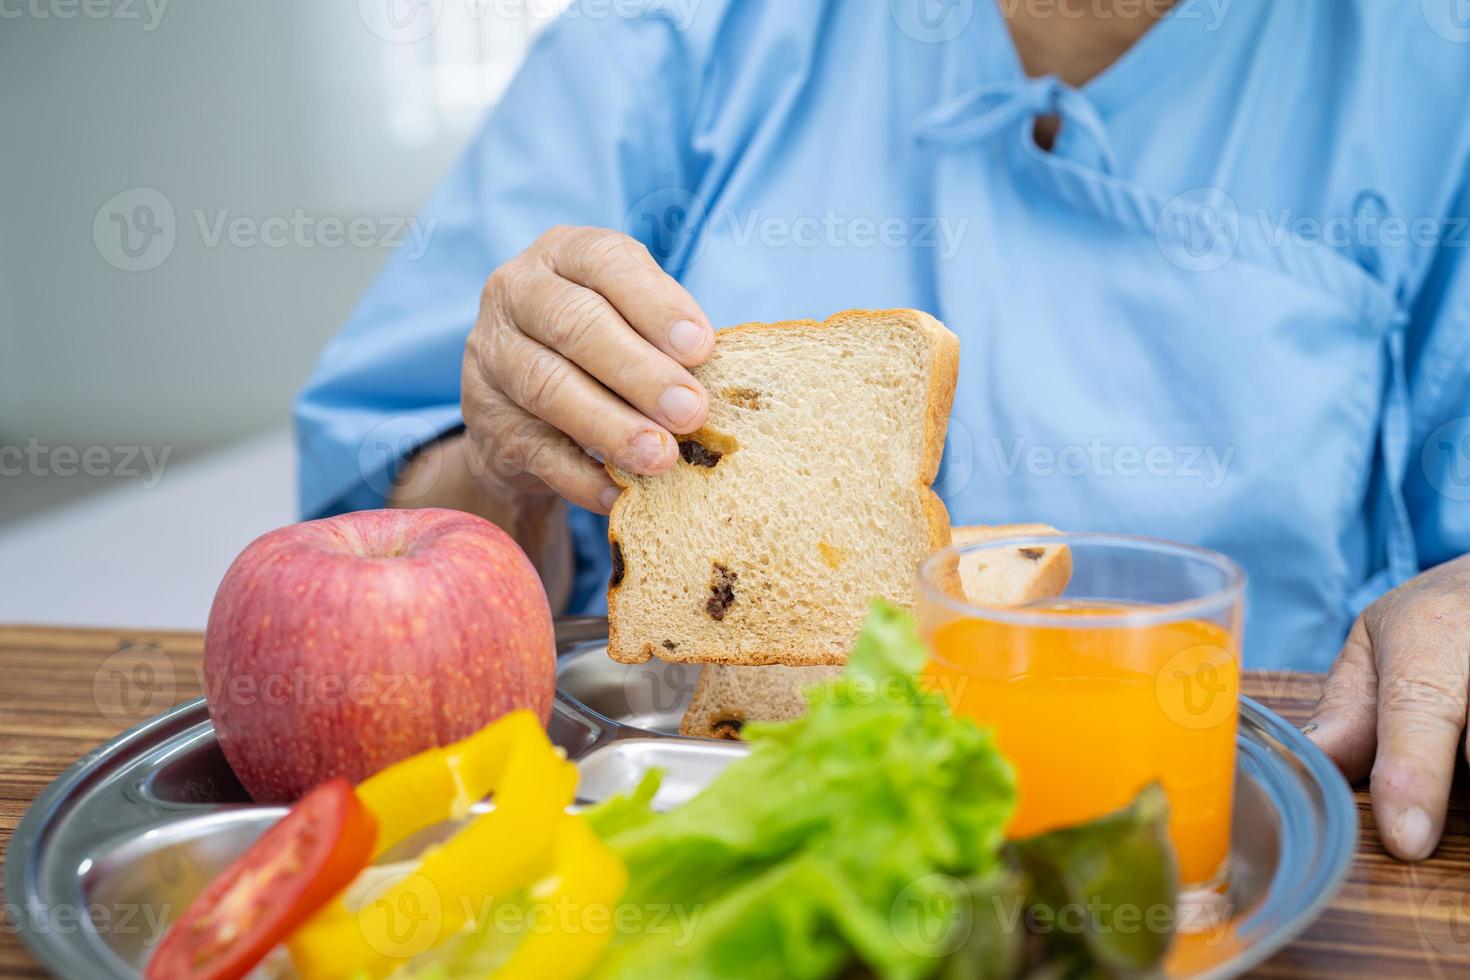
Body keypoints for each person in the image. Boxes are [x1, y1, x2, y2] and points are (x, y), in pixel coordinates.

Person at [296, 1, 1470, 861]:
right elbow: (378, 585)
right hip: (706, 831)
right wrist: (507, 469)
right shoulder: (667, 39)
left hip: (1225, 839)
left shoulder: (1434, 77)